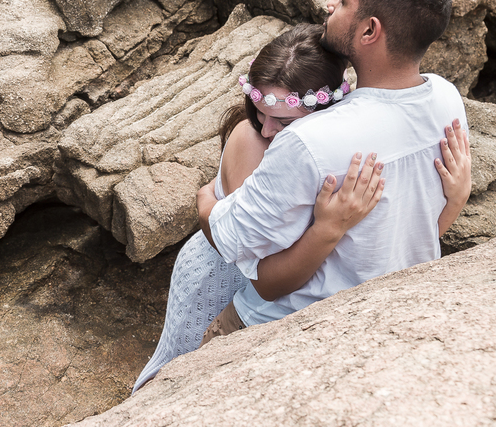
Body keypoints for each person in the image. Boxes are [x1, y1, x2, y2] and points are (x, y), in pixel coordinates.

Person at [201, 0, 471, 337]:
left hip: (278, 328)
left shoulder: (309, 142)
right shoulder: (446, 99)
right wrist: (457, 200)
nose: (330, 6)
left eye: (344, 1)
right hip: (387, 320)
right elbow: (410, 235)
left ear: (368, 31)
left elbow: (256, 271)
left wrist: (204, 203)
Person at [132, 23, 385, 393]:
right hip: (221, 270)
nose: (266, 129)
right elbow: (256, 251)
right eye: (260, 110)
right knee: (176, 374)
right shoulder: (252, 141)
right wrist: (206, 206)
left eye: (282, 120)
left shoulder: (336, 137)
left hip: (269, 281)